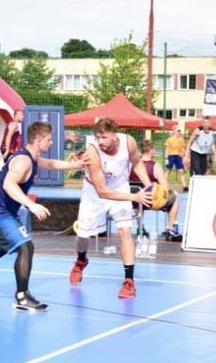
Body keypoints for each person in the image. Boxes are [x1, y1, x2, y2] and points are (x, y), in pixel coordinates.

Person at [0, 121, 90, 312]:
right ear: (38, 140)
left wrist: (77, 164)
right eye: (49, 139)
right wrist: (31, 204)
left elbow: (52, 164)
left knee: (3, 246)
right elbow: (8, 185)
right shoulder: (23, 161)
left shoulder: (33, 158)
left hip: (0, 211)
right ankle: (22, 296)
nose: (51, 143)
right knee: (25, 246)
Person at [70, 118, 153, 299]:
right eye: (97, 137)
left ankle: (129, 282)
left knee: (125, 231)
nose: (100, 141)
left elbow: (137, 162)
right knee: (83, 235)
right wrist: (134, 197)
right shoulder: (93, 153)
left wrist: (148, 186)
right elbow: (102, 191)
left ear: (115, 135)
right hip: (95, 191)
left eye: (104, 137)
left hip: (119, 186)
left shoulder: (128, 142)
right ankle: (81, 260)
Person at [130, 139, 180, 239]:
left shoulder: (132, 165)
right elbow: (165, 188)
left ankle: (140, 227)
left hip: (134, 200)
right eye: (155, 149)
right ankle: (170, 229)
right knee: (175, 198)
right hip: (151, 201)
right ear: (151, 150)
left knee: (138, 196)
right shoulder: (155, 166)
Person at [164, 125, 188, 192]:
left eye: (180, 131)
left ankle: (185, 186)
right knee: (168, 171)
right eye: (178, 131)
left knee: (181, 171)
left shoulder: (181, 139)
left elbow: (183, 148)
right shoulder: (170, 139)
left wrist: (184, 153)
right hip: (171, 156)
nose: (179, 132)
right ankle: (163, 185)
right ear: (174, 131)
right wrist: (166, 158)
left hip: (178, 157)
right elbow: (167, 149)